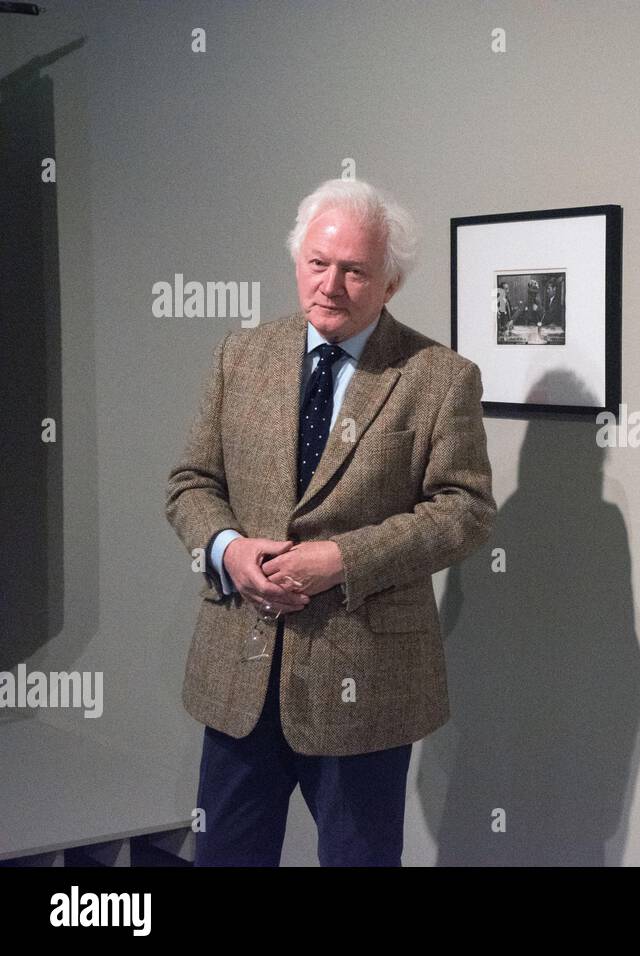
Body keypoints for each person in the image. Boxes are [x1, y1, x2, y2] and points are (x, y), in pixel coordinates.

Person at [164, 178, 496, 866]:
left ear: (390, 282)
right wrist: (227, 550)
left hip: (365, 685)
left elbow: (464, 514)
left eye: (354, 271)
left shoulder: (438, 377)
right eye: (318, 263)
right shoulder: (240, 355)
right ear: (296, 261)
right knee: (225, 856)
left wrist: (343, 559)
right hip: (240, 679)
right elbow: (192, 485)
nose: (331, 285)